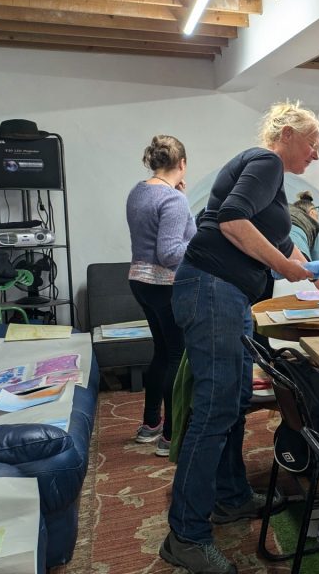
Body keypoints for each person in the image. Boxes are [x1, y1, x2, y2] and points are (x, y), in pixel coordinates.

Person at [160, 101, 319, 574]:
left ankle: (231, 497)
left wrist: (317, 278)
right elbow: (233, 222)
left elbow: (281, 241)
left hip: (225, 295)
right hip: (212, 290)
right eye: (313, 144)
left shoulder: (271, 181)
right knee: (215, 411)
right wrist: (289, 272)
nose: (316, 156)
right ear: (286, 134)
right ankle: (186, 536)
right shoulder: (265, 162)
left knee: (234, 401)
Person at [126, 135, 195, 457]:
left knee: (161, 352)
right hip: (166, 284)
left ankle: (149, 425)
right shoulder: (172, 201)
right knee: (176, 358)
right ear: (181, 164)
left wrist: (185, 205)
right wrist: (202, 250)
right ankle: (170, 436)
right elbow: (170, 253)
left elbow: (167, 236)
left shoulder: (139, 191)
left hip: (139, 281)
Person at [289, 190, 319, 261]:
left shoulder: (285, 215)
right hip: (299, 253)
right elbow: (317, 260)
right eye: (317, 215)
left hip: (275, 252)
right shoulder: (313, 226)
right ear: (312, 212)